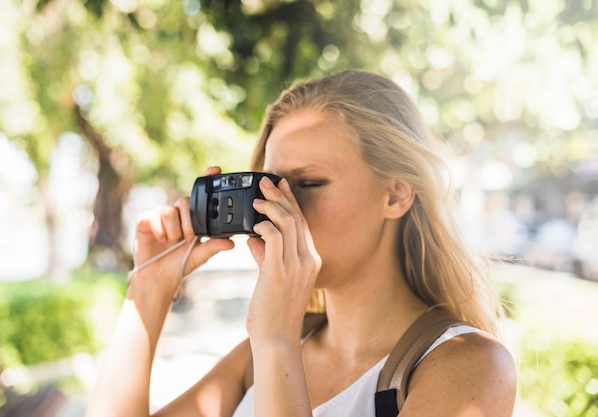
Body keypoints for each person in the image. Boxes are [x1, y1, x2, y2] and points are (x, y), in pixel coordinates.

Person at [85, 69, 517, 417]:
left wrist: (275, 338)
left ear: (396, 194)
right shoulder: (260, 358)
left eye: (308, 183)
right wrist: (150, 289)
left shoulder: (468, 367)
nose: (277, 210)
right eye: (269, 186)